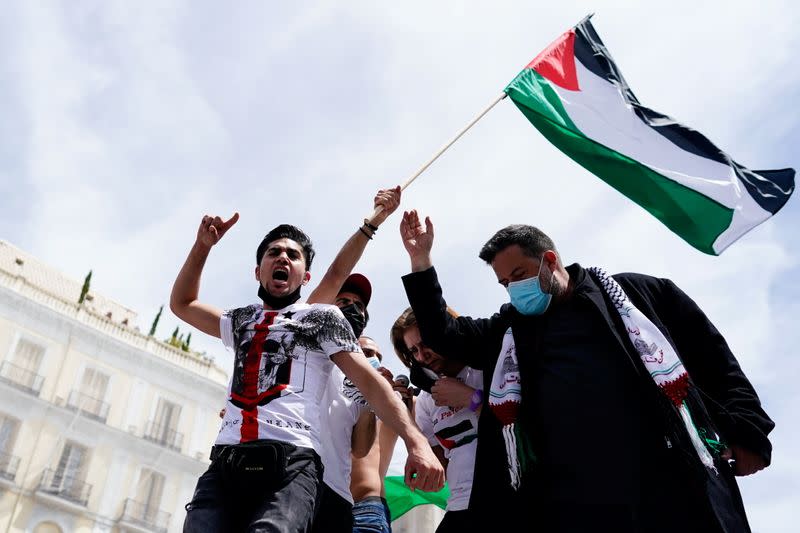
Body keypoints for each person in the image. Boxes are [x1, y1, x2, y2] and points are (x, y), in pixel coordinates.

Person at [398, 210, 774, 533]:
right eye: (505, 283)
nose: (514, 289)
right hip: (577, 501)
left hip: (674, 478)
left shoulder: (639, 296)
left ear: (550, 259)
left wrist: (748, 431)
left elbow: (715, 361)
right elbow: (446, 334)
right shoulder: (509, 330)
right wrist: (421, 261)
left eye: (520, 274)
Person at [171, 211, 443, 532]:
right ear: (258, 271)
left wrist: (417, 442)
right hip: (228, 459)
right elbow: (183, 304)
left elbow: (370, 384)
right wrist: (203, 246)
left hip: (292, 463)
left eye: (293, 254)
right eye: (274, 252)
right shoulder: (240, 320)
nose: (283, 257)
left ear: (306, 277)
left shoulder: (320, 318)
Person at [390, 307, 482, 533]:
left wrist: (472, 399)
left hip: (509, 496)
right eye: (414, 350)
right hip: (460, 504)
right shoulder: (425, 401)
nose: (422, 356)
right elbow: (438, 468)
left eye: (426, 343)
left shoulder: (486, 368)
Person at [350, 336, 404, 533]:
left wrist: (392, 394)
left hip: (366, 509)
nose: (374, 359)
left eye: (377, 355)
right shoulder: (330, 395)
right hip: (322, 504)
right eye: (366, 353)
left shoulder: (394, 402)